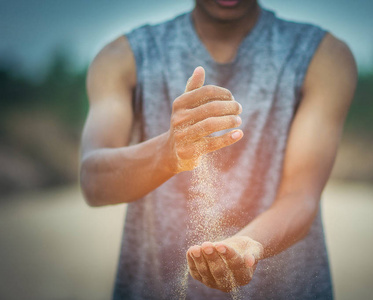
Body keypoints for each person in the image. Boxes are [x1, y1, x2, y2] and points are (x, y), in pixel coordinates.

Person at [80, 0, 357, 299]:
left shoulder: (323, 56)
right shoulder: (123, 57)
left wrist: (248, 245)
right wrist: (168, 151)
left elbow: (301, 196)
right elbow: (95, 182)